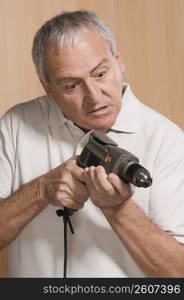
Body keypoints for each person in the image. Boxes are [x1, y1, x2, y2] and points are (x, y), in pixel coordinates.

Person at [0, 10, 184, 278]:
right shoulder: (17, 123)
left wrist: (119, 209)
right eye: (72, 86)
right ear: (48, 88)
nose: (95, 97)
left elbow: (178, 273)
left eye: (100, 74)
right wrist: (40, 191)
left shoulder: (166, 139)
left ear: (119, 62)